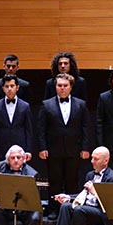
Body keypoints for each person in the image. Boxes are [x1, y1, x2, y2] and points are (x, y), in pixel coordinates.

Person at [49, 146, 113, 225]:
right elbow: (83, 195)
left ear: (106, 161)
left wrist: (95, 192)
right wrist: (68, 197)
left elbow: (111, 204)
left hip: (102, 214)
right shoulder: (90, 175)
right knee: (66, 206)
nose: (92, 161)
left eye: (96, 159)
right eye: (92, 158)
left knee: (79, 210)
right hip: (87, 210)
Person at [37, 73, 91, 202]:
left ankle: (71, 208)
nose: (62, 88)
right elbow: (41, 128)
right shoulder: (46, 104)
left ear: (71, 87)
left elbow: (86, 127)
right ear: (55, 87)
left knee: (72, 181)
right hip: (53, 149)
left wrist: (85, 148)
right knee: (54, 180)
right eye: (59, 85)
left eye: (65, 85)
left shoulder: (81, 104)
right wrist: (42, 147)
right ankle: (54, 209)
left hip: (74, 149)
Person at [0, 74, 33, 164]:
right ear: (3, 88)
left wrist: (28, 149)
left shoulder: (25, 106)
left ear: (17, 87)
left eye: (12, 86)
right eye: (7, 86)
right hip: (2, 147)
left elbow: (29, 129)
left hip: (20, 147)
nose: (9, 89)